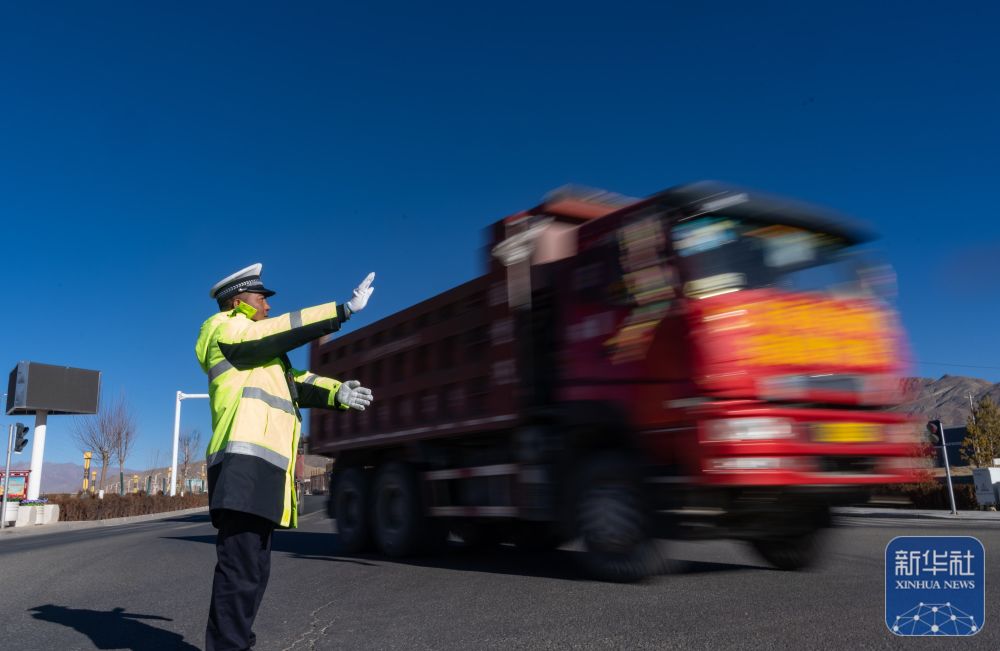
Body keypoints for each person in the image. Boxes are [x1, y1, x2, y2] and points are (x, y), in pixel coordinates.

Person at [195, 263, 376, 651]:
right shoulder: (224, 329)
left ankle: (237, 641)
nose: (269, 306)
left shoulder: (262, 353)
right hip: (240, 465)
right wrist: (339, 312)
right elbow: (272, 333)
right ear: (237, 301)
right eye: (262, 298)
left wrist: (336, 393)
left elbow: (297, 383)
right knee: (240, 568)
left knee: (255, 570)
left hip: (263, 470)